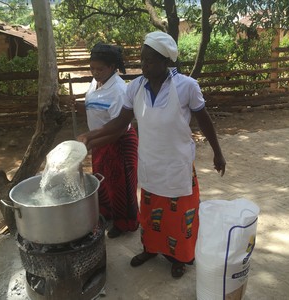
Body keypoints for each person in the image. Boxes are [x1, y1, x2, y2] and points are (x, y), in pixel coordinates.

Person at [78, 32, 226, 278]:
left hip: (176, 162)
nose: (143, 65)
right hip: (149, 160)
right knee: (149, 212)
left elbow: (205, 121)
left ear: (166, 61)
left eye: (150, 61)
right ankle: (151, 249)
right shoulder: (135, 87)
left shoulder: (187, 86)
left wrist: (217, 153)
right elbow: (120, 123)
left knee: (180, 215)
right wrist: (89, 137)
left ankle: (179, 257)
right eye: (142, 60)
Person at [74, 42, 139, 238]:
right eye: (92, 68)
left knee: (120, 186)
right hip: (101, 140)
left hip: (119, 142)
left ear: (112, 67)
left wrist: (91, 140)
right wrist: (77, 106)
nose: (95, 72)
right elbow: (96, 107)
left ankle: (125, 224)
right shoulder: (96, 82)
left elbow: (119, 126)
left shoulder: (118, 90)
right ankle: (107, 214)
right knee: (103, 181)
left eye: (100, 69)